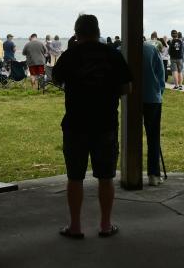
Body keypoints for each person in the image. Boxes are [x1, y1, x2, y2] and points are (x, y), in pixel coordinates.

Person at [52, 14, 131, 239]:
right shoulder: (113, 54)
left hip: (75, 124)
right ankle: (105, 225)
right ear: (98, 31)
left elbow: (57, 80)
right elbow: (127, 89)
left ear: (76, 33)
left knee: (74, 178)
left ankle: (75, 226)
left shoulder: (70, 55)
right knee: (106, 178)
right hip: (105, 124)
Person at [142, 36, 166, 186]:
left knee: (131, 136)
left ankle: (132, 170)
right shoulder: (151, 49)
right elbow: (161, 74)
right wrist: (159, 92)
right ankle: (154, 175)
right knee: (153, 137)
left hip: (131, 100)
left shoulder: (122, 50)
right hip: (152, 98)